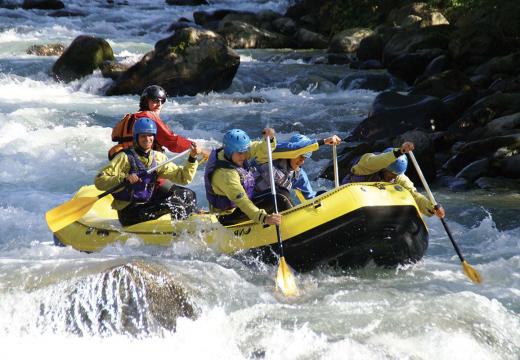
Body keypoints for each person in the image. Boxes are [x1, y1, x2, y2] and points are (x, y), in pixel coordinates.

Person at [96, 117, 202, 227]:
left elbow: (183, 178)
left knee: (188, 195)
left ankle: (184, 226)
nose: (147, 139)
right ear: (136, 137)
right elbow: (100, 180)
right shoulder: (124, 157)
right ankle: (179, 232)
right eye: (143, 136)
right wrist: (124, 177)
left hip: (147, 203)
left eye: (150, 135)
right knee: (174, 204)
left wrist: (192, 158)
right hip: (130, 213)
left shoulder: (158, 158)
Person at [341, 141, 445, 218]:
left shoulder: (398, 176)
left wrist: (432, 207)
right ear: (384, 168)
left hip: (373, 209)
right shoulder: (367, 163)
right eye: (390, 175)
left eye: (395, 176)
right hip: (350, 201)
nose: (392, 178)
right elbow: (379, 161)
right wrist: (399, 152)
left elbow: (414, 195)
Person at [204, 128, 282, 226]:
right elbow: (243, 202)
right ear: (230, 151)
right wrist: (264, 218)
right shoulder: (226, 175)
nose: (244, 156)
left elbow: (259, 148)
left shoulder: (235, 155)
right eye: (241, 153)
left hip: (240, 206)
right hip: (227, 216)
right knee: (279, 199)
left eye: (245, 151)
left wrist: (269, 139)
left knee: (280, 192)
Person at [108, 85, 208, 160]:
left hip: (126, 166)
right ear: (145, 101)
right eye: (155, 100)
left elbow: (114, 137)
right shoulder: (149, 117)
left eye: (162, 101)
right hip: (144, 169)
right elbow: (173, 142)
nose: (159, 104)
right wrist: (201, 150)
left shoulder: (129, 118)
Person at [253, 133, 342, 207]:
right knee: (281, 195)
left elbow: (311, 198)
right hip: (250, 202)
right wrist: (324, 141)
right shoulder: (271, 155)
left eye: (305, 158)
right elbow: (293, 148)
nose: (302, 161)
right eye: (300, 156)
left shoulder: (298, 174)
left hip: (268, 208)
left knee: (322, 194)